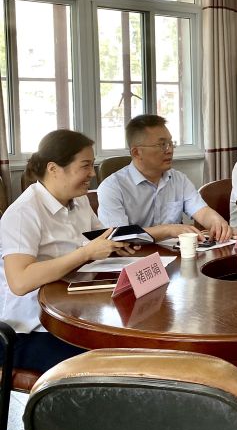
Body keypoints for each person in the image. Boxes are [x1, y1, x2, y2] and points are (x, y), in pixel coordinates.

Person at [0, 130, 137, 372]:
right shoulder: (24, 213)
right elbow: (19, 281)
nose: (92, 173)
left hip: (72, 314)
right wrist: (86, 253)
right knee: (110, 368)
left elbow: (100, 236)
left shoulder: (79, 200)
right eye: (85, 166)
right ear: (54, 169)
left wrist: (121, 242)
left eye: (92, 165)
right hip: (31, 330)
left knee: (131, 347)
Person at [98, 115, 233, 242]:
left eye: (171, 143)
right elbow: (118, 235)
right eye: (162, 145)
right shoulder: (112, 187)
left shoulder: (178, 179)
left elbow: (202, 212)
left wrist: (216, 221)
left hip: (174, 253)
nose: (170, 150)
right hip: (135, 256)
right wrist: (167, 230)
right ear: (136, 152)